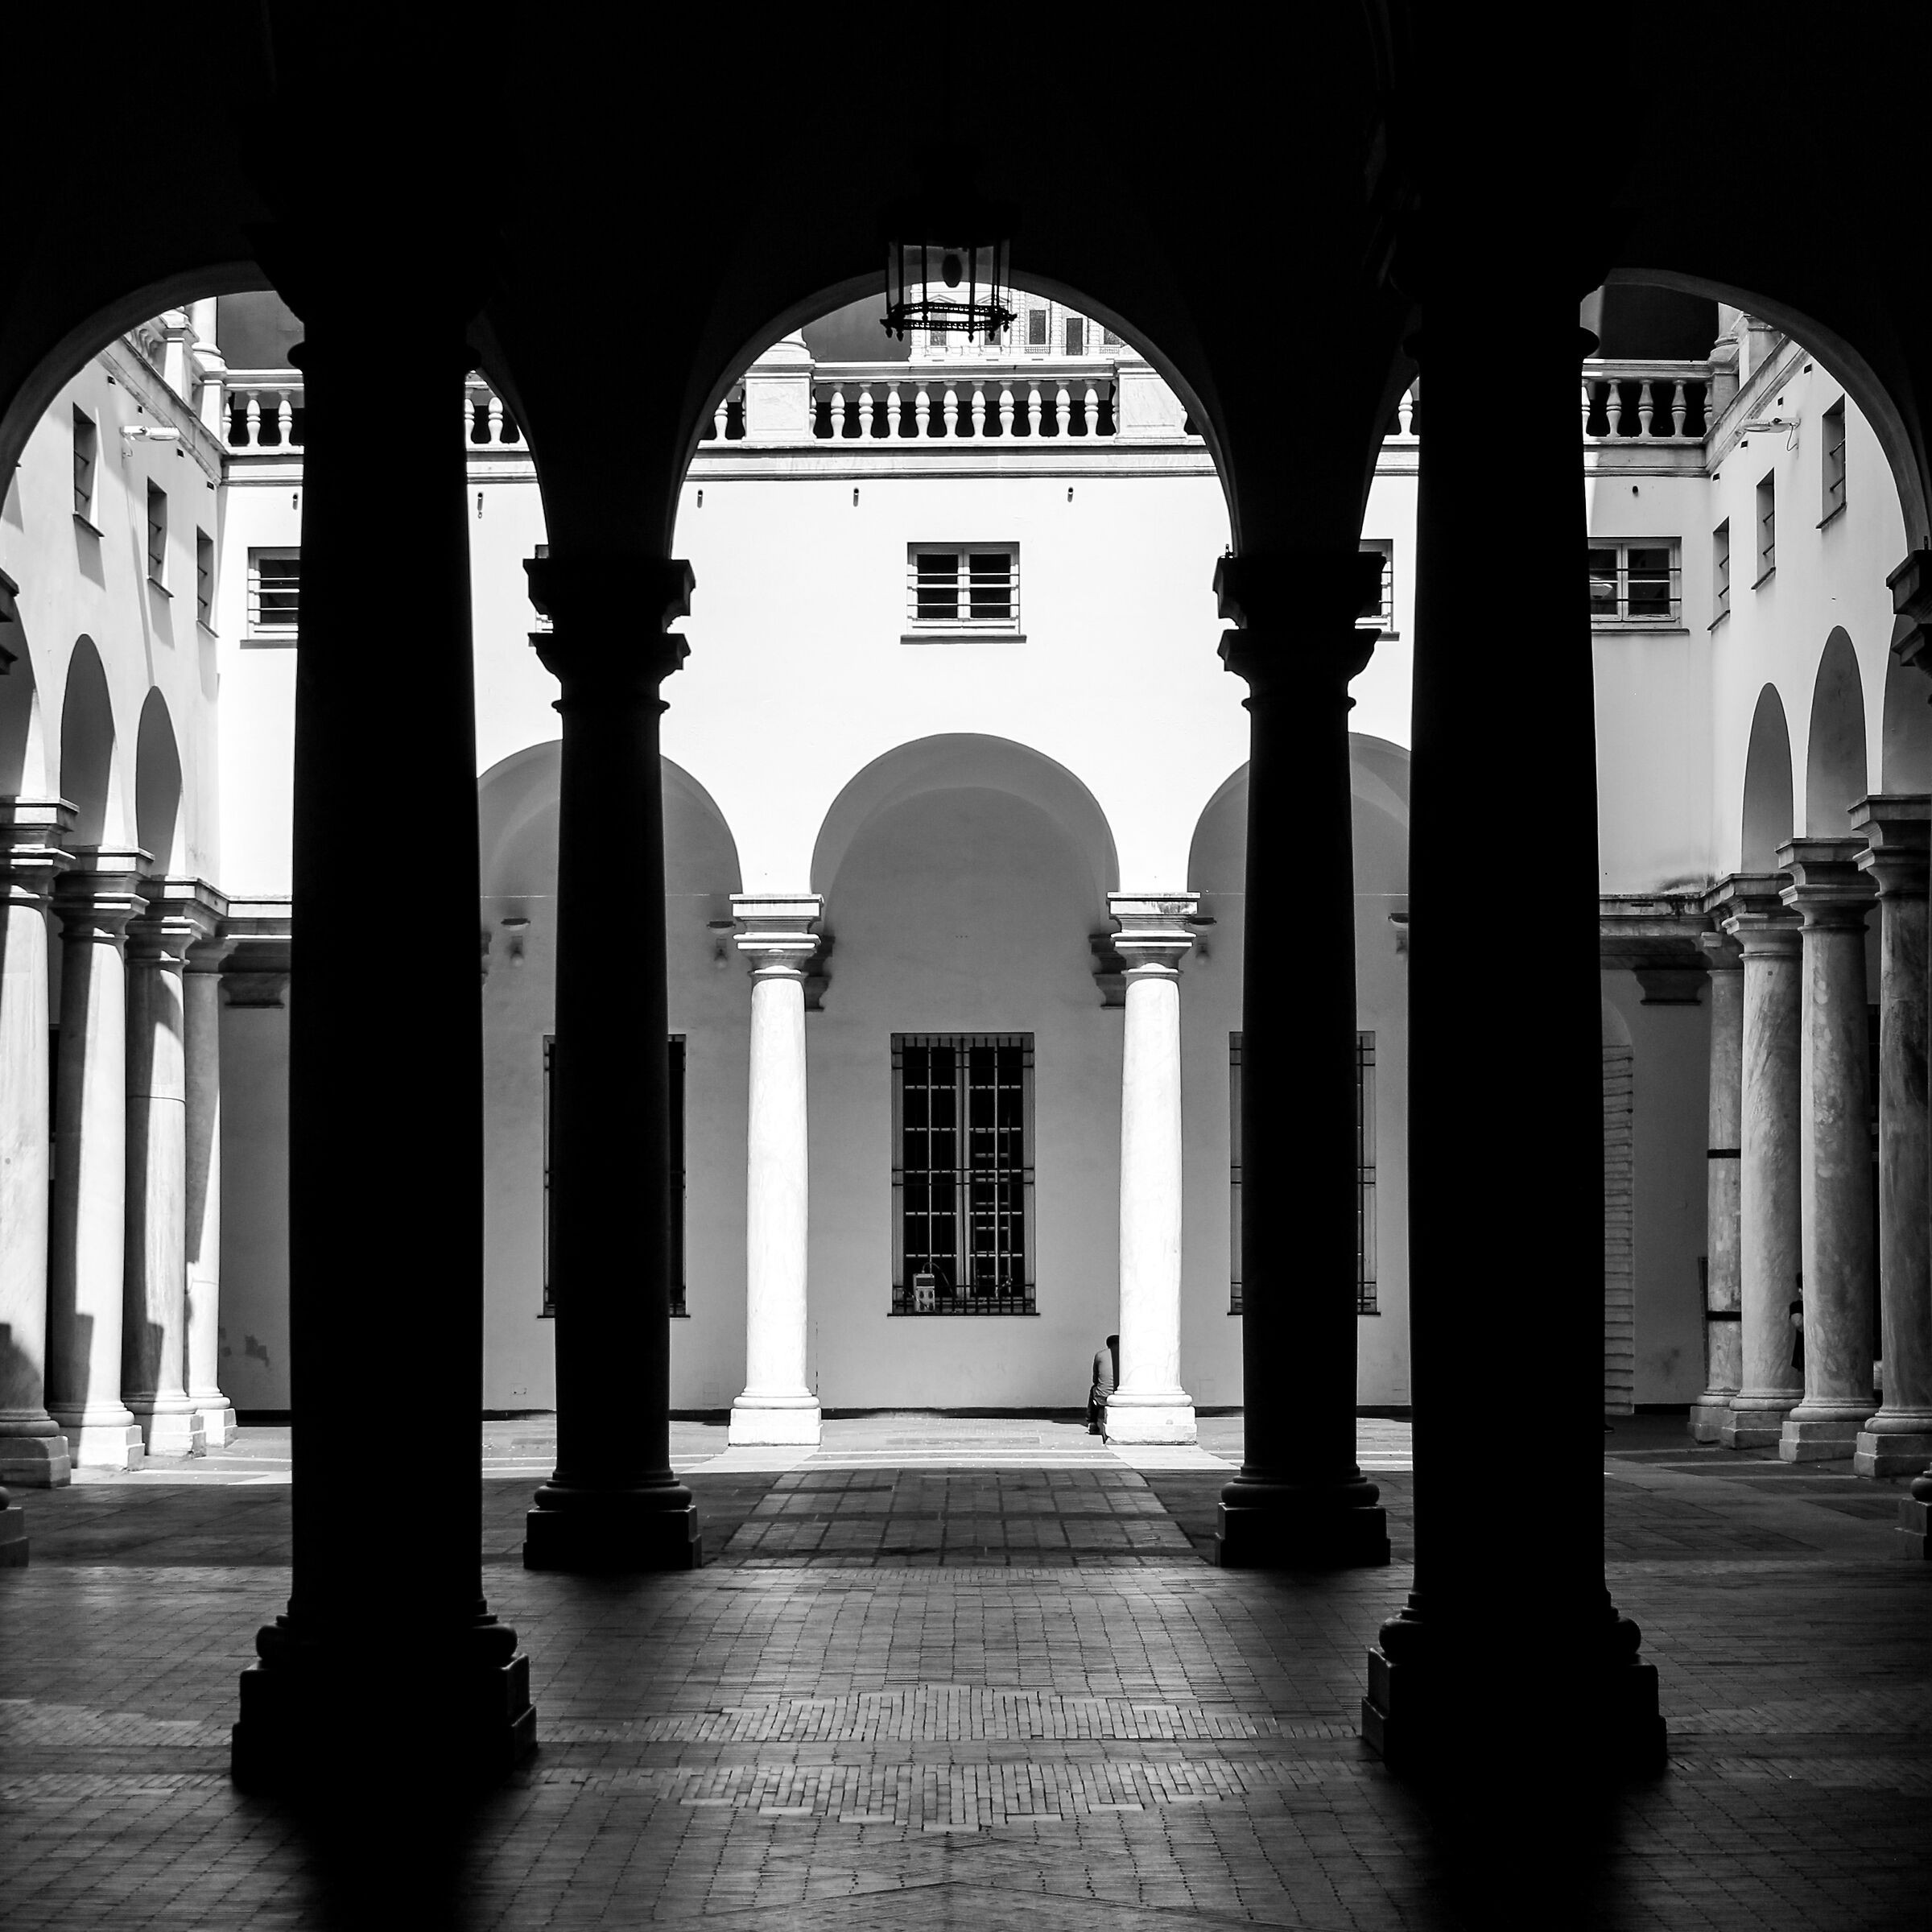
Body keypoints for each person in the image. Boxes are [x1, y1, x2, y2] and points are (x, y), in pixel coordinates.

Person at [1088, 1334, 1120, 1438]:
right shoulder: (1127, 1356)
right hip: (1124, 1395)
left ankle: (1092, 1422)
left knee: (1093, 1390)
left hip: (1103, 1397)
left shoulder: (1100, 1355)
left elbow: (1095, 1379)